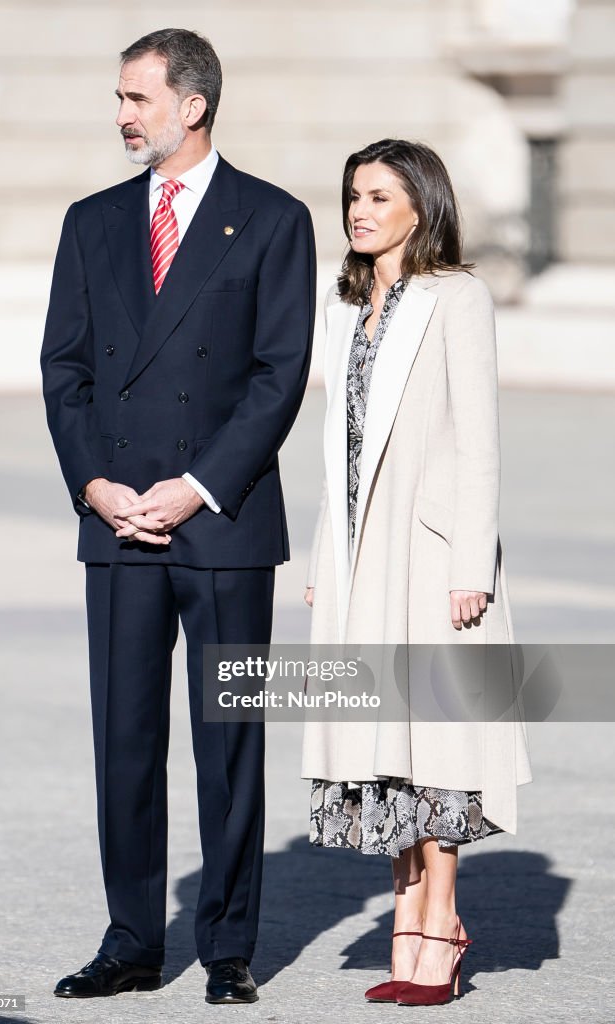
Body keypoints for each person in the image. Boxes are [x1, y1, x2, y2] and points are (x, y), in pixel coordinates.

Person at [41, 28, 315, 1006]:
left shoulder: (273, 219)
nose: (121, 114)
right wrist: (94, 485)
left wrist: (195, 485)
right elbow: (64, 368)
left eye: (136, 98)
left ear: (191, 105)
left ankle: (230, 944)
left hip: (224, 520)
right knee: (124, 738)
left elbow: (279, 376)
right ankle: (130, 940)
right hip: (117, 520)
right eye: (119, 98)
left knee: (229, 738)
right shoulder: (92, 221)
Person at [301, 139, 531, 1006]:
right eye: (354, 194)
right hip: (364, 552)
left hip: (433, 554)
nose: (360, 209)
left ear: (421, 206)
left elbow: (480, 439)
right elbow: (341, 451)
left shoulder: (456, 297)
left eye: (380, 196)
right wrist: (329, 554)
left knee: (437, 739)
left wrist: (472, 563)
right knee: (383, 742)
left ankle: (438, 920)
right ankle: (411, 917)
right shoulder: (345, 305)